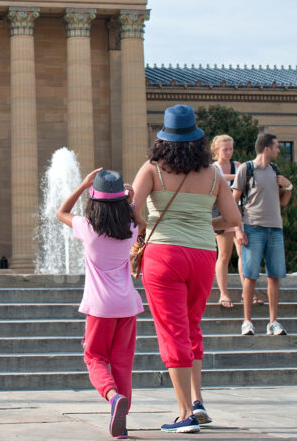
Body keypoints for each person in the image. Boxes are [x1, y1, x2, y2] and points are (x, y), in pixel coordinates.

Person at [132, 104, 246, 434]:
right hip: (201, 255)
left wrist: (146, 226)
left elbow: (131, 210)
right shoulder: (212, 173)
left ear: (164, 139)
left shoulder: (152, 168)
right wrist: (200, 223)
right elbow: (233, 220)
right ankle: (197, 401)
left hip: (163, 255)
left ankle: (185, 415)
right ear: (197, 139)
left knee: (172, 331)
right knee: (192, 326)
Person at [57, 168, 143, 439]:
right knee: (122, 362)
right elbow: (143, 222)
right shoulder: (130, 229)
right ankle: (122, 422)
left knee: (94, 357)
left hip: (100, 307)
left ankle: (112, 396)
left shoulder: (88, 227)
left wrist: (83, 185)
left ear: (95, 200)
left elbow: (61, 211)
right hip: (127, 306)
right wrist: (130, 201)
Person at [232, 133, 292, 336]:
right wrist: (238, 229)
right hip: (252, 228)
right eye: (276, 147)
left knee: (274, 276)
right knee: (250, 276)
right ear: (266, 148)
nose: (278, 150)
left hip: (275, 229)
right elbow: (234, 201)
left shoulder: (275, 170)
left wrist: (289, 186)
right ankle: (247, 321)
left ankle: (273, 322)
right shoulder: (246, 169)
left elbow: (283, 202)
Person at [211, 135, 242, 308]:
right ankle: (224, 293)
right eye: (225, 149)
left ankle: (248, 293)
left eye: (231, 149)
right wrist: (238, 177)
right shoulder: (213, 168)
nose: (229, 152)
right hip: (220, 212)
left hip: (239, 212)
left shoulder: (237, 166)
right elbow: (219, 179)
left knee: (243, 254)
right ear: (216, 150)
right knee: (224, 254)